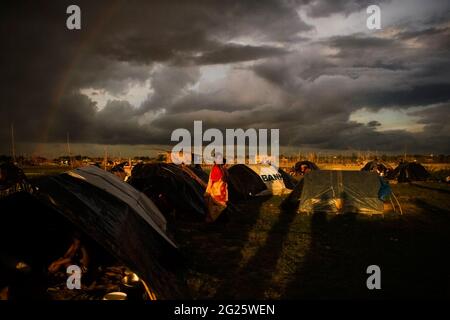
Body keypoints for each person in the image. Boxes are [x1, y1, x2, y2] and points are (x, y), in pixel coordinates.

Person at [204, 154, 228, 222]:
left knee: (213, 207)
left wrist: (207, 191)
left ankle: (212, 220)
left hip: (216, 191)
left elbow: (211, 181)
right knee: (221, 206)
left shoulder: (215, 168)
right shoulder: (223, 169)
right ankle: (221, 220)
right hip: (223, 191)